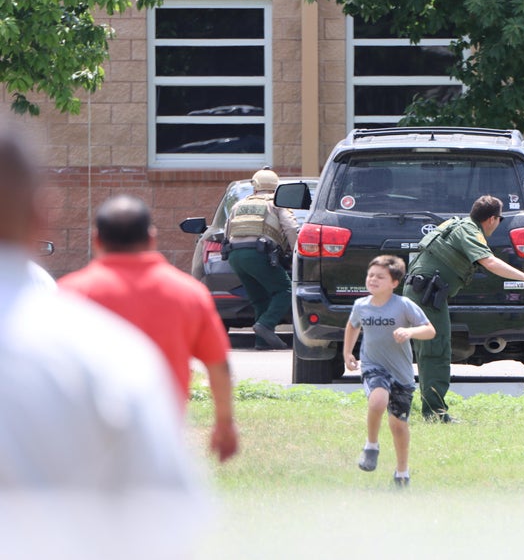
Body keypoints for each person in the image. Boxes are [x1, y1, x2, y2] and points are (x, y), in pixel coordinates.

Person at [0, 119, 205, 557]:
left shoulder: (79, 294)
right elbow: (165, 522)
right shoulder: (107, 352)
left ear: (96, 239)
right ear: (44, 215)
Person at [59, 194, 239, 463]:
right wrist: (224, 423)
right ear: (151, 238)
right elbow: (218, 364)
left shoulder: (70, 294)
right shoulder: (188, 293)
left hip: (84, 442)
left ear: (96, 240)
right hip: (161, 438)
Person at [403, 195, 524, 422]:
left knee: (428, 352)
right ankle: (434, 414)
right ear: (492, 219)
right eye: (499, 219)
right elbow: (489, 262)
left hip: (421, 292)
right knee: (436, 352)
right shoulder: (470, 231)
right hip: (426, 296)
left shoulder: (456, 223)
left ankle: (423, 408)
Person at [343, 255, 435, 488]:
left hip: (401, 374)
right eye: (370, 275)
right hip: (374, 366)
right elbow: (352, 325)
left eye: (380, 277)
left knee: (398, 425)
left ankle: (402, 472)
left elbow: (429, 330)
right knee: (377, 401)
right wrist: (347, 353)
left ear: (394, 283)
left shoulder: (403, 305)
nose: (373, 279)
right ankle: (371, 445)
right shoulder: (361, 306)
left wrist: (409, 332)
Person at [224, 168, 300, 350]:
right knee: (286, 290)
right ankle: (265, 324)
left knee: (260, 299)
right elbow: (290, 227)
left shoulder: (239, 205)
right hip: (259, 254)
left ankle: (262, 342)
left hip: (235, 256)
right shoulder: (277, 203)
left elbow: (227, 231)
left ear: (255, 187)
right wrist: (297, 251)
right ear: (276, 187)